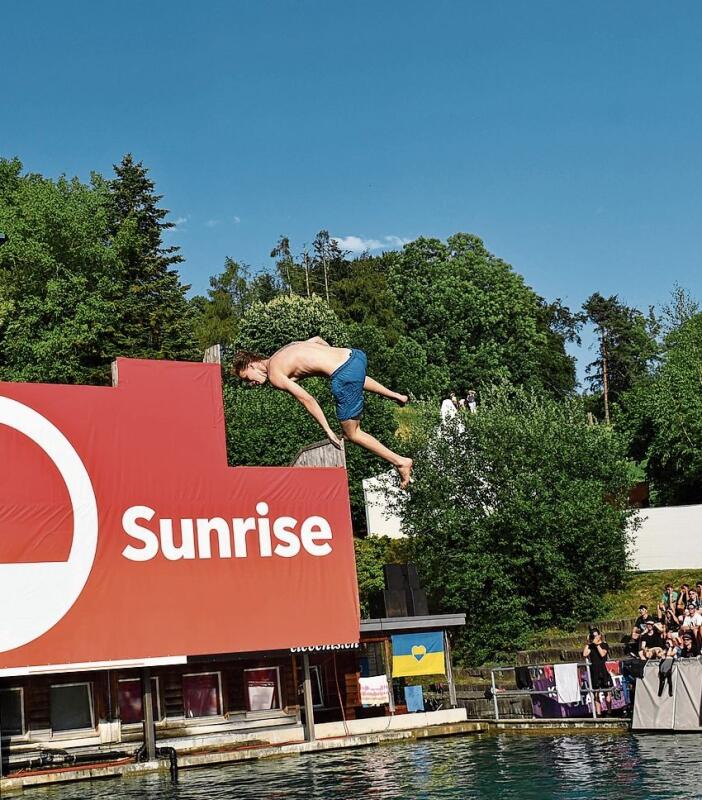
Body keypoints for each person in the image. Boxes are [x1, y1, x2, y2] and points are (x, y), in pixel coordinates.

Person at [232, 339, 413, 488]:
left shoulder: (274, 374)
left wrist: (327, 430)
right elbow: (318, 340)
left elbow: (307, 399)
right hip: (355, 356)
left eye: (247, 378)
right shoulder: (284, 350)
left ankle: (400, 462)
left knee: (352, 433)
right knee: (352, 377)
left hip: (345, 375)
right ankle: (397, 395)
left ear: (253, 364)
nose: (251, 383)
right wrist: (328, 367)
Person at [583, 628, 612, 713]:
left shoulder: (604, 644)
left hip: (603, 670)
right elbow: (584, 654)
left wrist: (597, 645)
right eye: (593, 636)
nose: (595, 637)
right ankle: (598, 713)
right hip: (594, 671)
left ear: (600, 635)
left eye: (596, 635)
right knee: (596, 694)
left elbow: (602, 654)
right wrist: (589, 643)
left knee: (607, 692)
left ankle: (609, 712)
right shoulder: (591, 646)